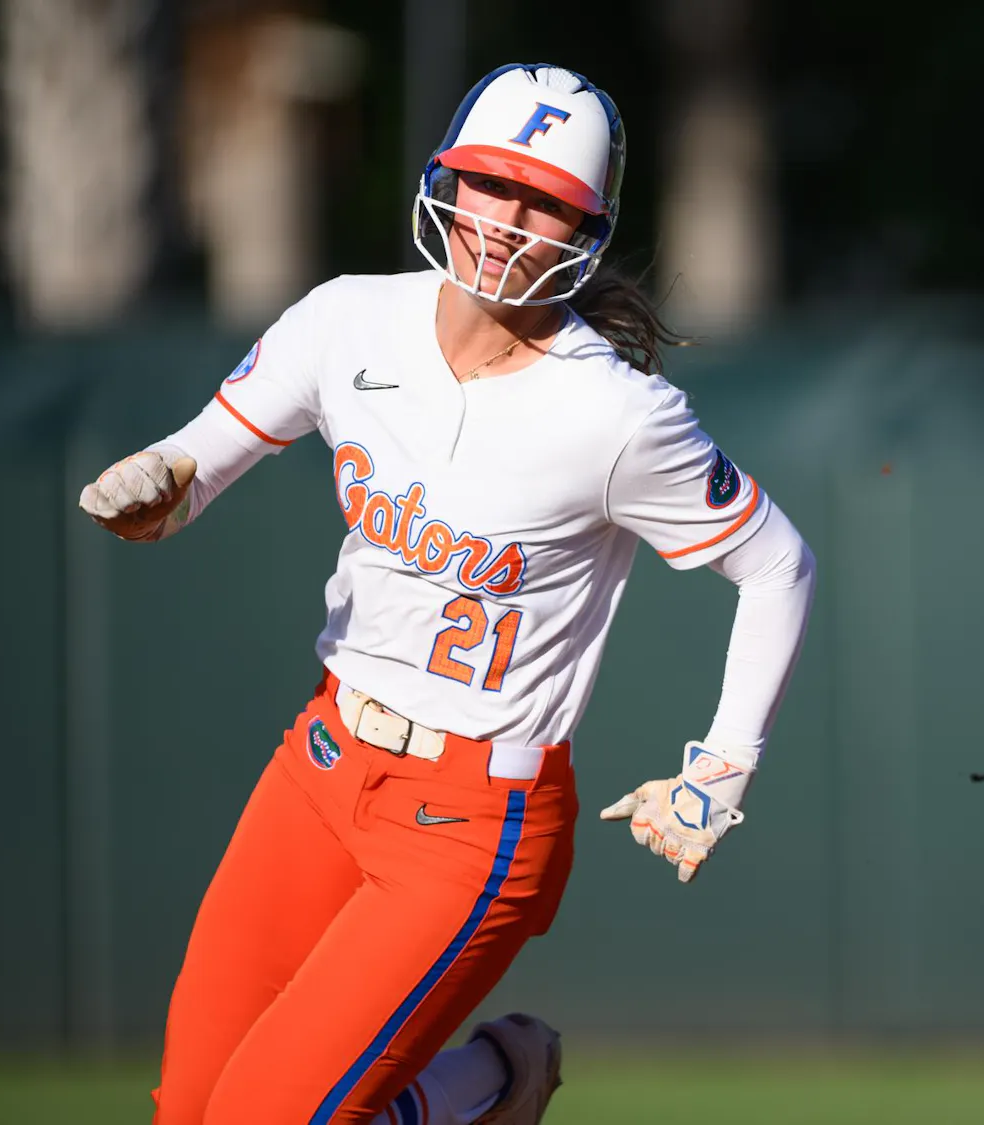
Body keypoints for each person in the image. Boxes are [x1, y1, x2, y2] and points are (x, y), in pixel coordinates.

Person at [78, 62, 815, 1125]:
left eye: (546, 201)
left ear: (587, 228)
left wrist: (722, 767)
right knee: (189, 1107)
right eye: (490, 183)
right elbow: (193, 467)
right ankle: (490, 1089)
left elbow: (779, 563)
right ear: (446, 182)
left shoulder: (617, 414)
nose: (509, 220)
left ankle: (485, 1084)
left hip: (474, 818)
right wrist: (157, 488)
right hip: (323, 767)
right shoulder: (348, 322)